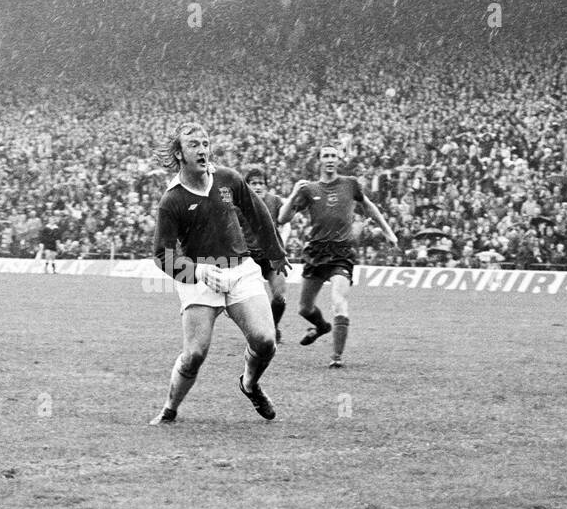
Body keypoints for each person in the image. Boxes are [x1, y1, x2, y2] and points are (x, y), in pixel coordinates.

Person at [149, 121, 287, 425]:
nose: (202, 150)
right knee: (195, 354)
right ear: (180, 153)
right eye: (194, 145)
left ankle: (249, 384)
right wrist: (197, 271)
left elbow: (257, 212)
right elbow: (162, 255)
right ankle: (170, 408)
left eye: (205, 143)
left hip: (240, 269)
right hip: (200, 277)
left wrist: (275, 253)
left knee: (266, 341)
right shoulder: (172, 201)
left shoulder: (228, 179)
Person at [279, 142, 398, 368]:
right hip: (316, 251)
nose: (331, 159)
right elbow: (283, 219)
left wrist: (388, 232)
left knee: (339, 301)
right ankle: (322, 327)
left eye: (334, 155)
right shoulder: (309, 189)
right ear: (320, 160)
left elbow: (369, 207)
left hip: (341, 252)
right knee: (304, 308)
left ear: (339, 160)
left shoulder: (350, 184)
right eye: (326, 155)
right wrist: (294, 192)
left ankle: (336, 357)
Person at [241, 167, 289, 343]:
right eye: (253, 183)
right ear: (246, 186)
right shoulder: (238, 204)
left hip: (271, 257)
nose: (258, 186)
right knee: (250, 301)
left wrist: (281, 241)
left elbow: (286, 222)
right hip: (247, 258)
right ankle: (255, 331)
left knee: (280, 297)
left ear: (267, 186)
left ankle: (272, 327)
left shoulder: (275, 202)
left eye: (261, 183)